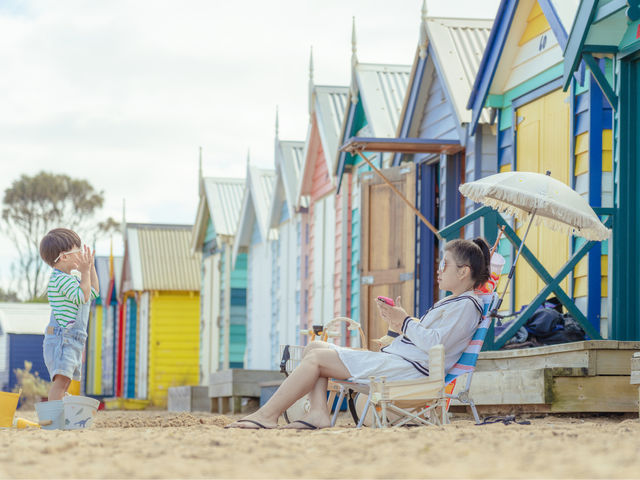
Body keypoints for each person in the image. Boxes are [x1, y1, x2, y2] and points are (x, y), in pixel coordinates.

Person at [226, 237, 491, 430]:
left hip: (410, 373)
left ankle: (267, 415)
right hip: (399, 363)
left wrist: (406, 322)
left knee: (317, 360)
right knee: (314, 349)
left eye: (444, 264)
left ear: (463, 271)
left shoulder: (467, 306)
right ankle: (318, 412)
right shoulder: (453, 302)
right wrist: (398, 322)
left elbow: (437, 345)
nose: (439, 269)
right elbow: (423, 336)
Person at [39, 228, 99, 401]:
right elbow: (83, 296)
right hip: (62, 339)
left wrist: (91, 268)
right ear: (64, 257)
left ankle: (61, 415)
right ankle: (54, 417)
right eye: (77, 251)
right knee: (61, 381)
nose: (81, 254)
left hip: (72, 339)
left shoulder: (70, 279)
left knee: (66, 382)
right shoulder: (60, 279)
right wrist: (85, 272)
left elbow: (93, 292)